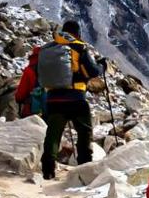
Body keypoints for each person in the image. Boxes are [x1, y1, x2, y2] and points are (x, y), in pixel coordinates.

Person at [13, 21, 106, 180]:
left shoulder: (48, 48)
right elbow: (91, 71)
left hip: (53, 100)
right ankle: (85, 167)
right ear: (77, 33)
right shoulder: (78, 47)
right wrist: (102, 66)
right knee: (84, 132)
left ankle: (48, 170)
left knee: (53, 135)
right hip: (76, 98)